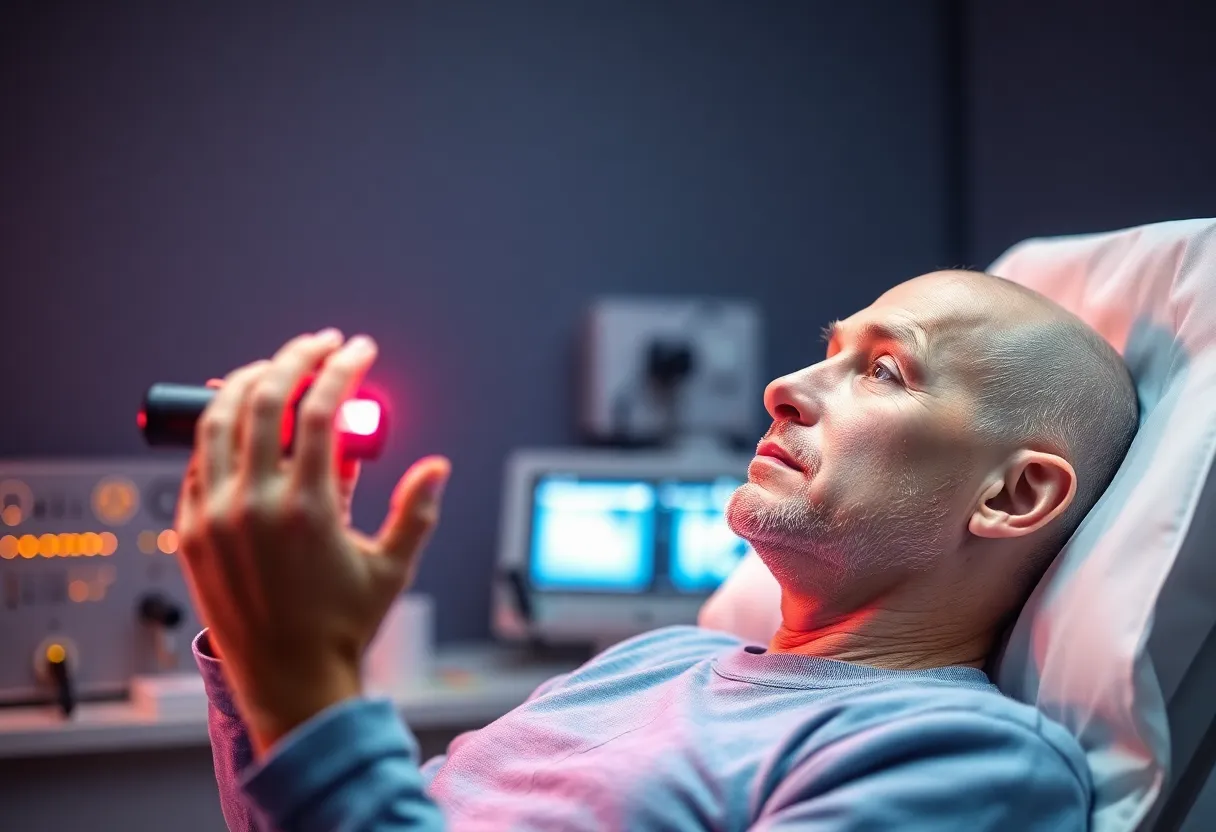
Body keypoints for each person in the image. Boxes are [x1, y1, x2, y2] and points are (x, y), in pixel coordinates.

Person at [179, 269, 1138, 831]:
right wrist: (257, 644)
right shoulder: (653, 659)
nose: (784, 386)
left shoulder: (965, 763)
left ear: (1014, 495)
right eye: (827, 349)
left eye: (883, 370)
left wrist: (306, 680)